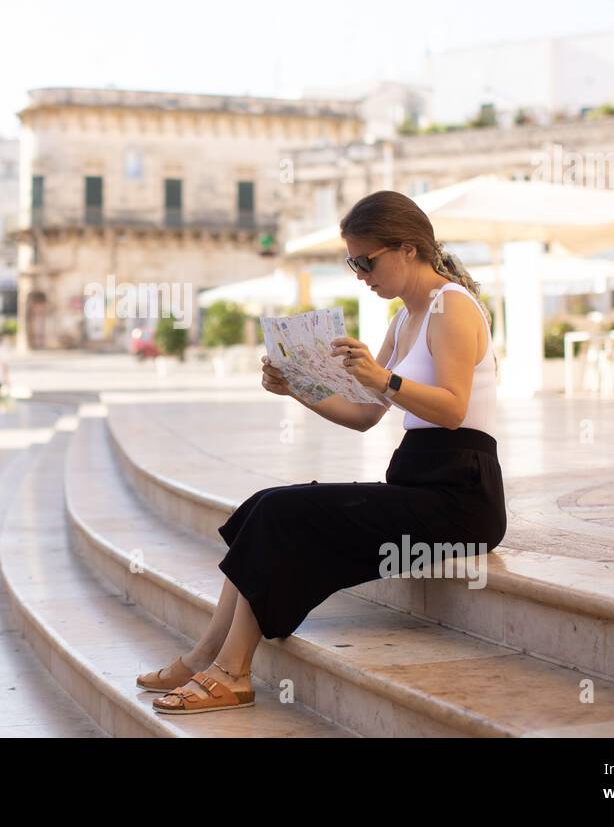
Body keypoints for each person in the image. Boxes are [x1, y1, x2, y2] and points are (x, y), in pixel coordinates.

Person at [138, 190, 507, 715]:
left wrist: (385, 378)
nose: (360, 273)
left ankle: (232, 672)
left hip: (462, 499)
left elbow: (452, 408)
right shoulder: (406, 319)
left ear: (407, 249)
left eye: (366, 260)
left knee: (285, 515)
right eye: (351, 262)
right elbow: (363, 415)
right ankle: (206, 656)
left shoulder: (452, 308)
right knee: (264, 505)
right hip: (419, 482)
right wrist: (296, 387)